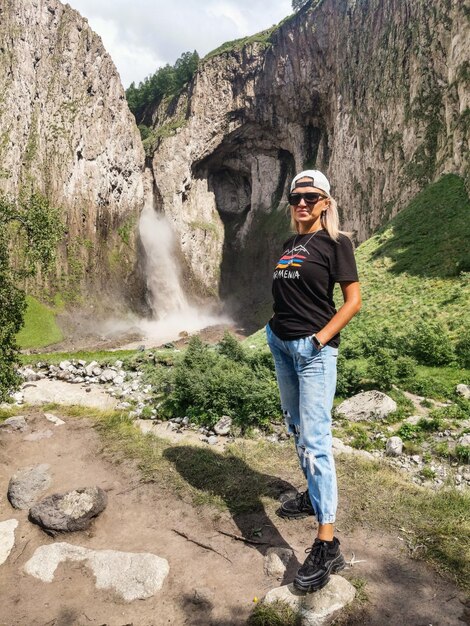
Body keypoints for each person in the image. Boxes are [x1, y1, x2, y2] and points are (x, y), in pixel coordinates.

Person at [266, 169, 361, 593]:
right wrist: (274, 330)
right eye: (295, 197)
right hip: (281, 344)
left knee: (318, 441)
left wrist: (319, 340)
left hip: (313, 353)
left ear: (325, 202)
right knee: (297, 428)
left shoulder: (337, 243)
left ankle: (327, 544)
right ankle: (312, 495)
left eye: (309, 196)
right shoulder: (290, 244)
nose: (301, 203)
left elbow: (353, 301)